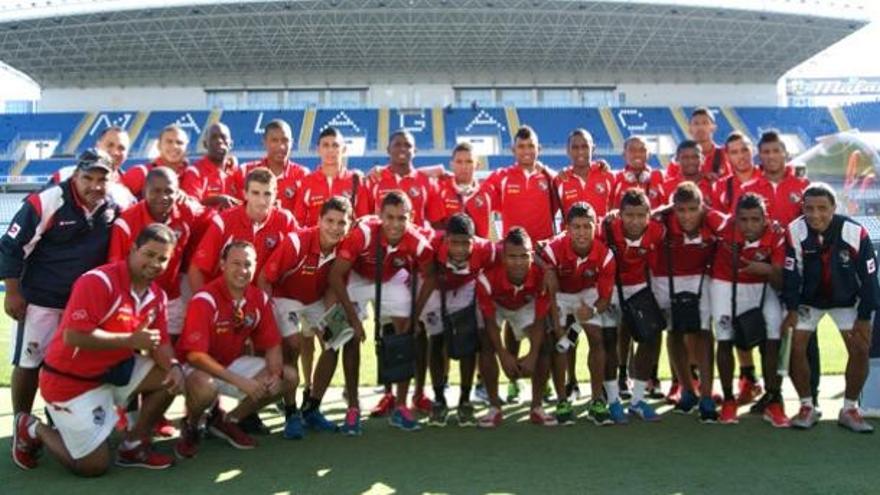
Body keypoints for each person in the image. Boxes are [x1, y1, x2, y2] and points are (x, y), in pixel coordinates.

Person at [12, 224, 185, 474]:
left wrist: (175, 366)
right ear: (133, 249)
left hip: (112, 373)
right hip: (70, 382)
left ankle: (133, 445)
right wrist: (130, 341)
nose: (155, 263)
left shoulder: (157, 295)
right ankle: (30, 425)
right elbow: (74, 336)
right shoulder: (98, 281)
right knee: (92, 466)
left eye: (163, 258)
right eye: (149, 254)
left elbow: (162, 343)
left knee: (171, 378)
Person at [2, 149, 119, 418]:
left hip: (80, 306)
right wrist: (12, 293)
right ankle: (22, 422)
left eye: (102, 180)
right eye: (88, 177)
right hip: (39, 300)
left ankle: (60, 420)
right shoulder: (49, 200)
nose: (94, 186)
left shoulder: (114, 204)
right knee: (29, 362)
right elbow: (11, 245)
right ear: (76, 175)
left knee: (72, 366)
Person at [174, 240, 299, 458]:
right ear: (222, 264)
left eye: (248, 264)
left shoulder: (258, 298)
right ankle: (192, 425)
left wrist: (275, 373)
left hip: (229, 364)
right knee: (205, 387)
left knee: (288, 377)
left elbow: (272, 345)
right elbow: (195, 356)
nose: (242, 270)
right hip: (194, 369)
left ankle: (228, 421)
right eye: (236, 263)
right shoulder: (205, 299)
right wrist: (240, 381)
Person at [328, 191, 436, 432]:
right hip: (356, 277)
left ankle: (400, 405)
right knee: (348, 334)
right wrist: (354, 320)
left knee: (406, 331)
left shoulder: (417, 241)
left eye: (402, 218)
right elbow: (335, 275)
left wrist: (415, 315)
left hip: (389, 278)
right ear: (379, 215)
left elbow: (431, 276)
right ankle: (353, 407)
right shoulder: (363, 234)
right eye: (390, 217)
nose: (395, 224)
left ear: (411, 218)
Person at [782, 183, 879, 433]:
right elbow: (791, 275)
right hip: (809, 300)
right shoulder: (794, 231)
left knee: (859, 347)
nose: (815, 215)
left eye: (822, 208)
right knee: (795, 345)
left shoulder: (855, 232)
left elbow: (870, 280)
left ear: (834, 208)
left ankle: (849, 409)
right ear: (802, 208)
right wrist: (792, 310)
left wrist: (865, 317)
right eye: (809, 208)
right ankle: (807, 406)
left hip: (846, 300)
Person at [257, 196, 353, 433]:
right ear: (319, 220)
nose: (335, 227)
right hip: (285, 297)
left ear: (349, 225)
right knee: (293, 344)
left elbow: (335, 285)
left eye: (342, 223)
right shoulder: (295, 242)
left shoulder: (347, 247)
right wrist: (268, 317)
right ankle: (291, 413)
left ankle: (312, 408)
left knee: (336, 339)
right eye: (330, 221)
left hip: (317, 299)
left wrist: (332, 320)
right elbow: (264, 280)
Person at [710, 193, 789, 427]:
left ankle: (774, 400)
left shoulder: (776, 233)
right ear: (735, 218)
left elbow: (780, 276)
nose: (749, 226)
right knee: (724, 339)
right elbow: (699, 209)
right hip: (725, 284)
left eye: (755, 219)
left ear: (766, 218)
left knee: (774, 337)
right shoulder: (723, 226)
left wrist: (762, 268)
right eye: (743, 219)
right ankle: (728, 400)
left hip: (762, 287)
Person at [652, 182, 723, 422]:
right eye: (681, 210)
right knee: (673, 332)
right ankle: (686, 389)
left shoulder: (711, 219)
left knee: (703, 331)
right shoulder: (661, 220)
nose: (686, 215)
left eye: (692, 209)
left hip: (700, 280)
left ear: (701, 207)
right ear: (674, 208)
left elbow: (733, 226)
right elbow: (636, 222)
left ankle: (706, 395)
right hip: (665, 278)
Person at [539, 202, 615, 425]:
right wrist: (558, 325)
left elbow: (605, 298)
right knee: (560, 342)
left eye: (587, 226)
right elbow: (548, 289)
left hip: (588, 293)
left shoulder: (605, 255)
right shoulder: (554, 248)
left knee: (597, 339)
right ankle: (562, 401)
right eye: (576, 227)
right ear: (567, 228)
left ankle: (596, 401)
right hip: (560, 294)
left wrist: (591, 310)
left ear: (596, 226)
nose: (582, 232)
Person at [420, 213, 496, 426]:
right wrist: (415, 312)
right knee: (436, 340)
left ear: (474, 241)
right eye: (455, 243)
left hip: (464, 287)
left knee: (468, 339)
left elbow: (503, 257)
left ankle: (465, 399)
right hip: (436, 288)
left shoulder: (486, 249)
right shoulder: (431, 244)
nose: (460, 249)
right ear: (446, 240)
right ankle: (439, 398)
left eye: (466, 243)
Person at [476, 227, 556, 427]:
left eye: (524, 256)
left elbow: (539, 319)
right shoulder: (486, 277)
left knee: (545, 345)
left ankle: (536, 407)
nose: (519, 262)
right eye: (512, 256)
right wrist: (503, 354)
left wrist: (532, 355)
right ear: (503, 257)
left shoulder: (541, 277)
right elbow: (489, 320)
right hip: (497, 305)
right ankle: (494, 408)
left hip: (524, 304)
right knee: (485, 342)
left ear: (532, 256)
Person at [600, 188, 666, 423]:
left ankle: (638, 400)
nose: (635, 221)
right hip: (610, 288)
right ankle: (613, 400)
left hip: (638, 287)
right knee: (608, 340)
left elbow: (672, 209)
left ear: (649, 215)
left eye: (641, 215)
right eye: (629, 215)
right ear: (620, 215)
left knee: (651, 335)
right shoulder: (605, 228)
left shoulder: (657, 230)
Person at [188, 167, 297, 292]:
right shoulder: (224, 221)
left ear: (276, 194)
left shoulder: (286, 220)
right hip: (225, 295)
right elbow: (197, 269)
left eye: (267, 194)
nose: (262, 201)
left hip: (265, 295)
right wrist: (205, 303)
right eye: (255, 193)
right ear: (245, 194)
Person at [480, 125, 558, 243]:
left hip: (544, 251)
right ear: (513, 150)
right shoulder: (501, 177)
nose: (526, 151)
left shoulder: (550, 177)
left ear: (539, 149)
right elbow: (478, 199)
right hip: (514, 253)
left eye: (531, 146)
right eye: (521, 146)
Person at [293, 127, 370, 227]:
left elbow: (363, 219)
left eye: (335, 145)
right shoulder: (306, 183)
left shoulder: (356, 181)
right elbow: (299, 222)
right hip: (316, 241)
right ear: (318, 150)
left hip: (348, 241)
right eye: (325, 145)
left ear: (344, 149)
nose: (330, 150)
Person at [231, 119, 308, 214]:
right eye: (274, 140)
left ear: (291, 143)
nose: (281, 147)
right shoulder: (245, 172)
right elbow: (236, 211)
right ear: (264, 142)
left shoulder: (303, 175)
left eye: (285, 141)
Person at [50, 127, 136, 209]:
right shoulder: (63, 175)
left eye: (122, 148)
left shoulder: (131, 183)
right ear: (97, 145)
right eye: (110, 145)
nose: (115, 152)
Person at [434, 142, 492, 238]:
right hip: (445, 249)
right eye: (459, 162)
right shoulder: (441, 189)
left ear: (477, 165)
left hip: (473, 249)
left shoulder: (484, 195)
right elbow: (436, 227)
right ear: (452, 165)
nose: (464, 166)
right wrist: (438, 170)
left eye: (469, 161)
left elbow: (483, 237)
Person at [181, 122, 240, 211]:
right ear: (205, 144)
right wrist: (216, 200)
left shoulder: (237, 172)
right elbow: (190, 207)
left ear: (231, 144)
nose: (219, 141)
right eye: (213, 137)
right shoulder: (194, 172)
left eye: (223, 137)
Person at [122, 124, 190, 198]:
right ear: (159, 146)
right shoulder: (140, 173)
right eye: (169, 141)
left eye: (179, 143)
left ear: (186, 148)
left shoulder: (193, 175)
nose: (174, 146)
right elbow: (118, 203)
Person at [666, 107, 730, 180]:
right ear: (690, 129)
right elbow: (669, 185)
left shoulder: (726, 155)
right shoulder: (679, 159)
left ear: (714, 128)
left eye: (705, 123)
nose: (700, 127)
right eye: (696, 123)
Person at [610, 136, 666, 211]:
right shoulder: (616, 179)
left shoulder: (659, 176)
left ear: (649, 154)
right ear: (624, 154)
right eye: (632, 150)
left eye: (642, 150)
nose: (637, 154)